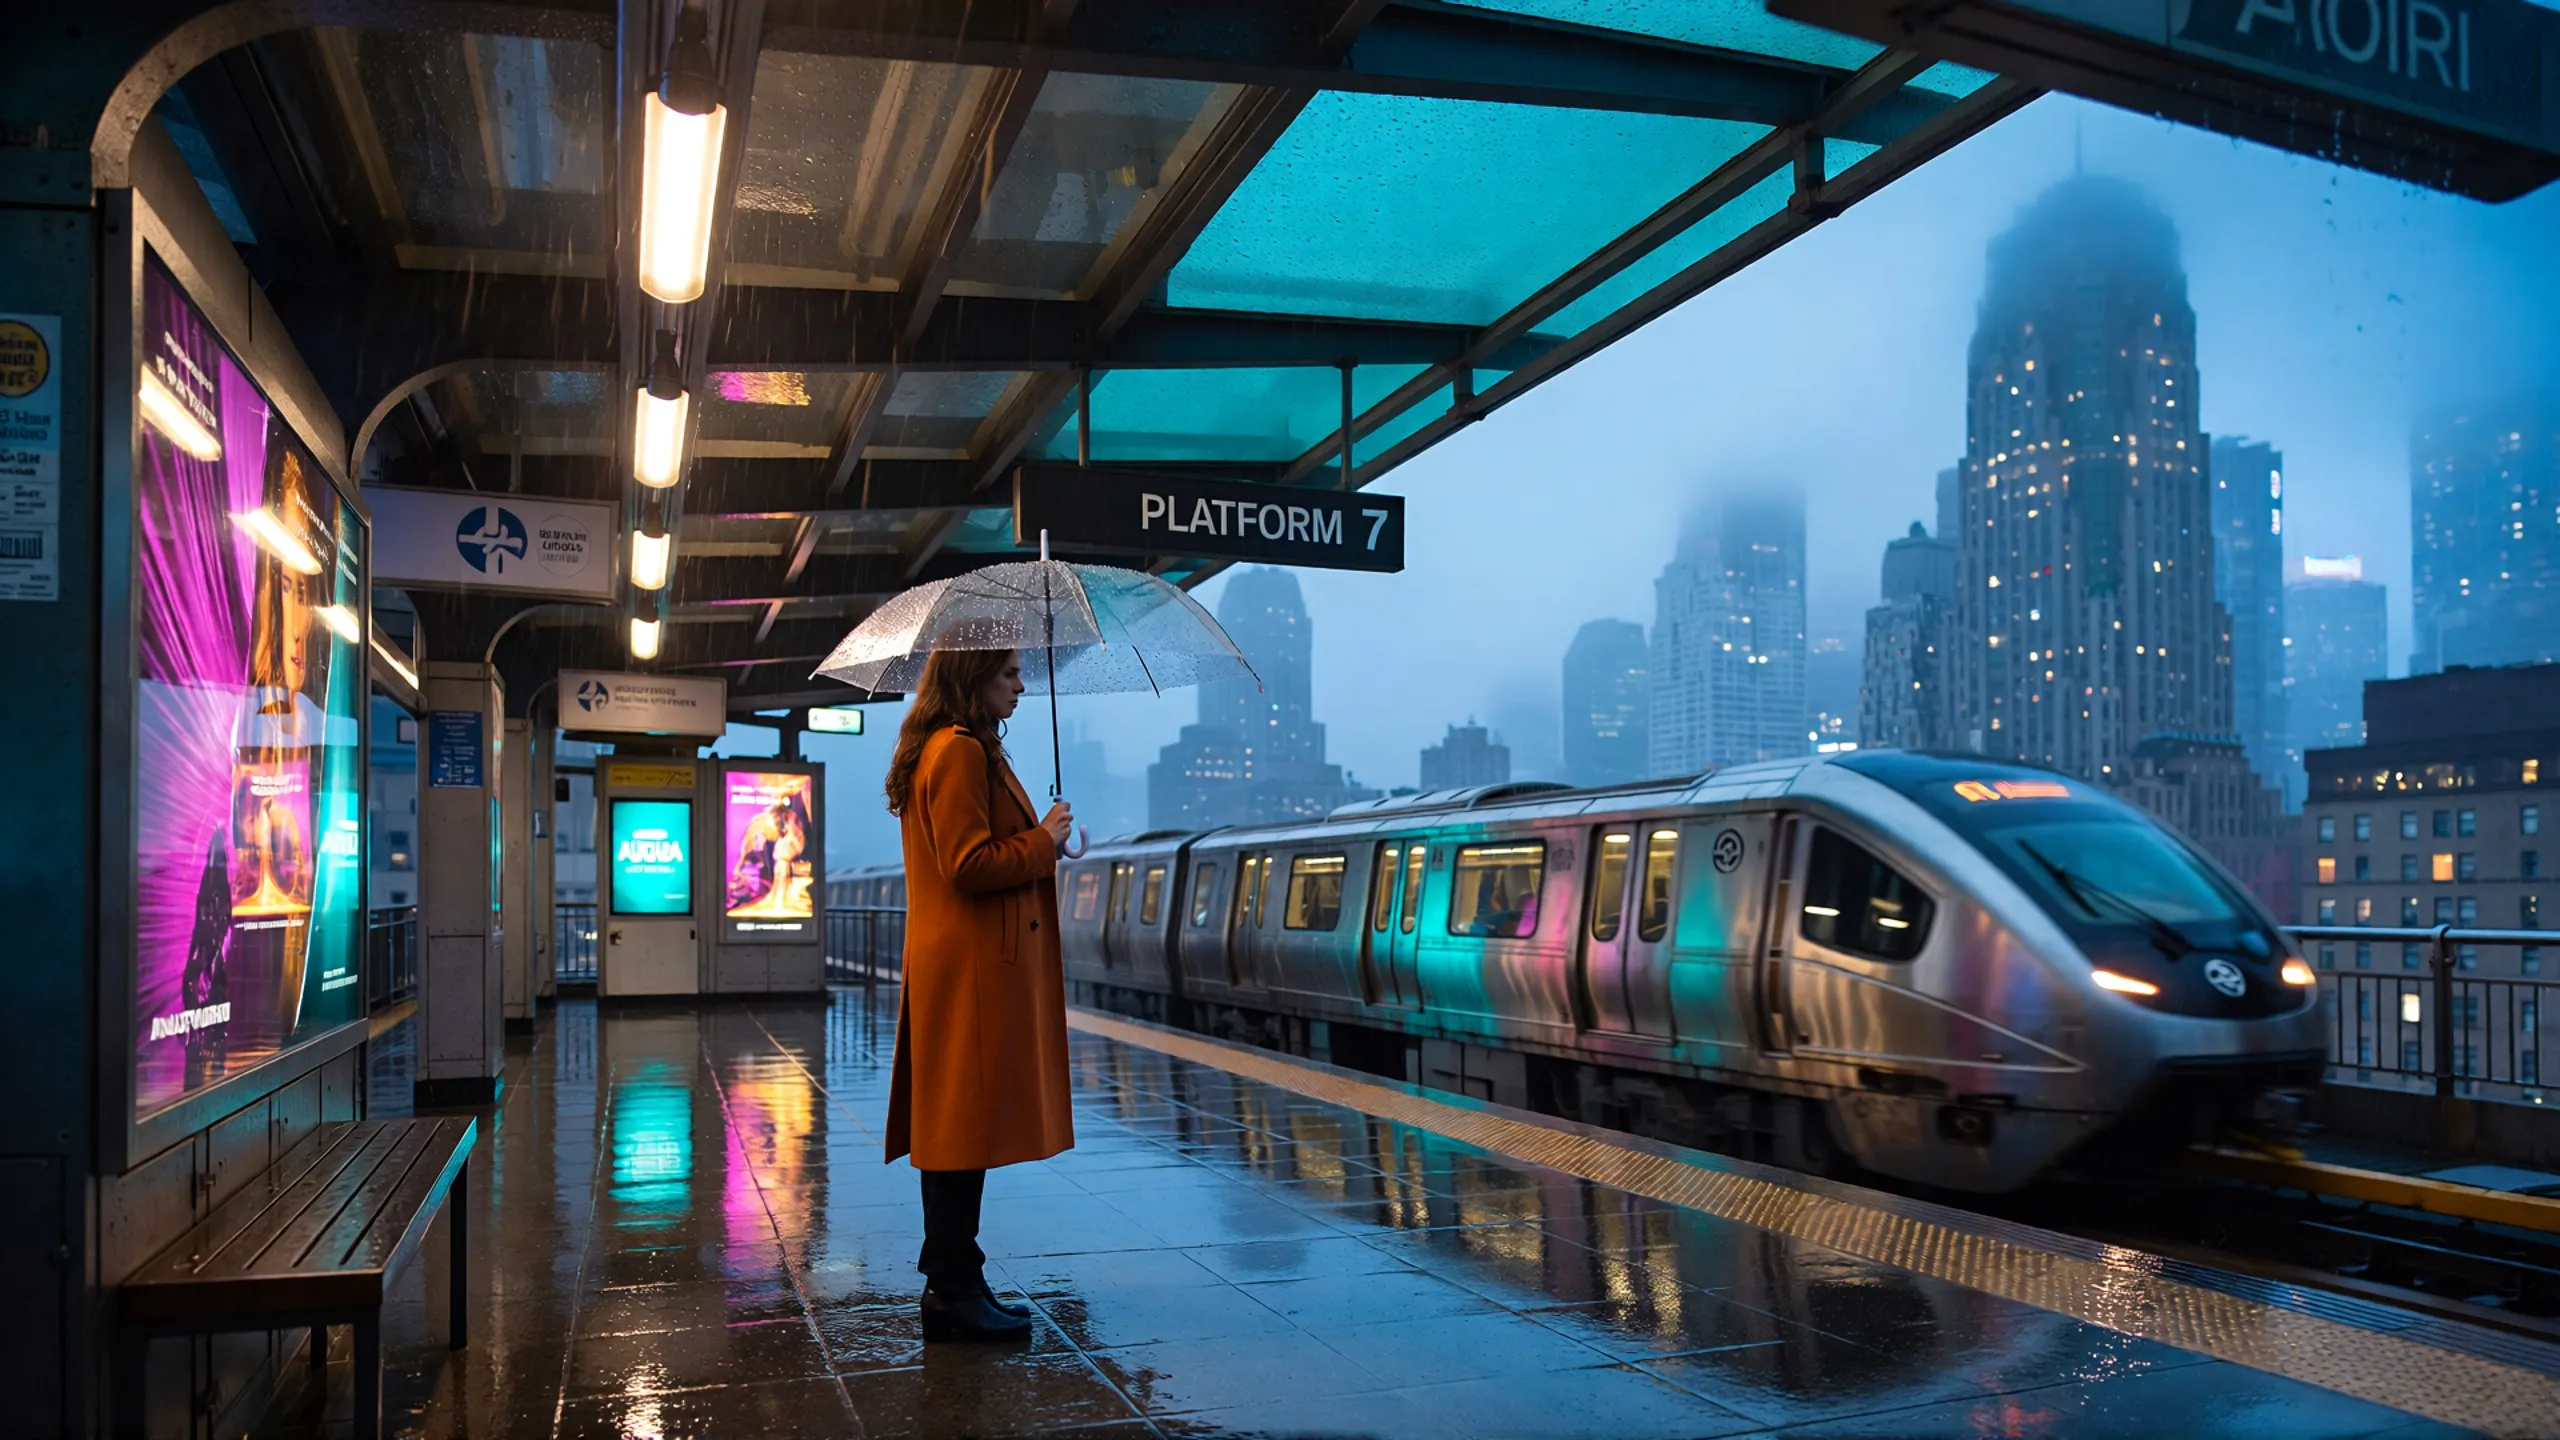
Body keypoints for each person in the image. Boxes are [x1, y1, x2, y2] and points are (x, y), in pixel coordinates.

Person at [882, 647, 1077, 1341]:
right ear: (971, 679)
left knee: (956, 1128)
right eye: (1009, 674)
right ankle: (953, 1289)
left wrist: (1038, 839)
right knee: (959, 1132)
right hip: (968, 969)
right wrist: (1043, 843)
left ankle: (958, 1278)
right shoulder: (958, 751)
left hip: (956, 964)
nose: (1022, 686)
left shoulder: (943, 747)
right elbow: (966, 865)